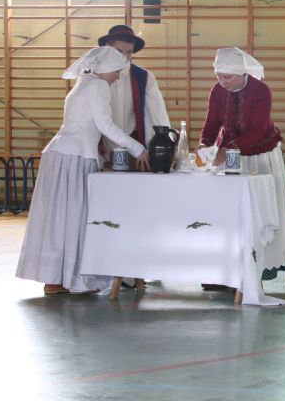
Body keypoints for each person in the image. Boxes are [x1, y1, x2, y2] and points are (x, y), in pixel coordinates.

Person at [16, 46, 150, 295]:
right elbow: (105, 125)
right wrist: (137, 148)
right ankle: (75, 278)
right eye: (116, 72)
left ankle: (55, 278)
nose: (117, 77)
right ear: (106, 69)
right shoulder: (98, 86)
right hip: (75, 157)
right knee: (76, 215)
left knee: (58, 216)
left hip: (61, 154)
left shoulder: (83, 82)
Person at [197, 47, 285, 289]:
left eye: (227, 77)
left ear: (242, 73)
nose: (222, 81)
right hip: (228, 155)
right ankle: (224, 271)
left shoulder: (260, 90)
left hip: (260, 155)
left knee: (258, 214)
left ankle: (256, 268)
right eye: (218, 76)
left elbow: (258, 129)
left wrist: (228, 151)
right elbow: (211, 123)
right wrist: (204, 143)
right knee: (227, 213)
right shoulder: (217, 90)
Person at [97, 25, 170, 161]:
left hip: (133, 149)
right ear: (107, 47)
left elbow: (156, 115)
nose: (124, 57)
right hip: (98, 147)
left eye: (129, 52)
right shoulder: (94, 75)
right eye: (119, 51)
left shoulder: (145, 77)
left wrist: (161, 148)